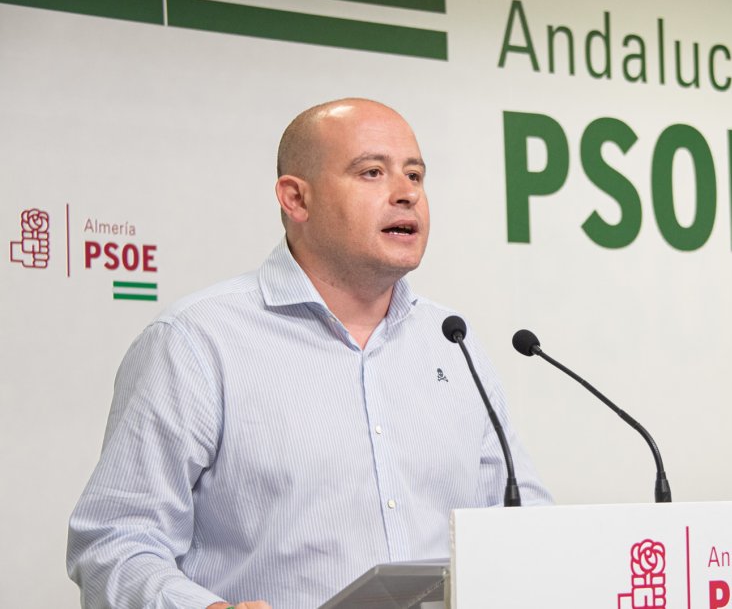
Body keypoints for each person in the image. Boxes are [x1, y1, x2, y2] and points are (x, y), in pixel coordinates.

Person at [66, 98, 551, 609]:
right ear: (296, 198)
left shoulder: (452, 341)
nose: (406, 193)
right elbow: (114, 543)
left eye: (415, 174)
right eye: (371, 172)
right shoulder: (197, 342)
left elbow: (524, 521)